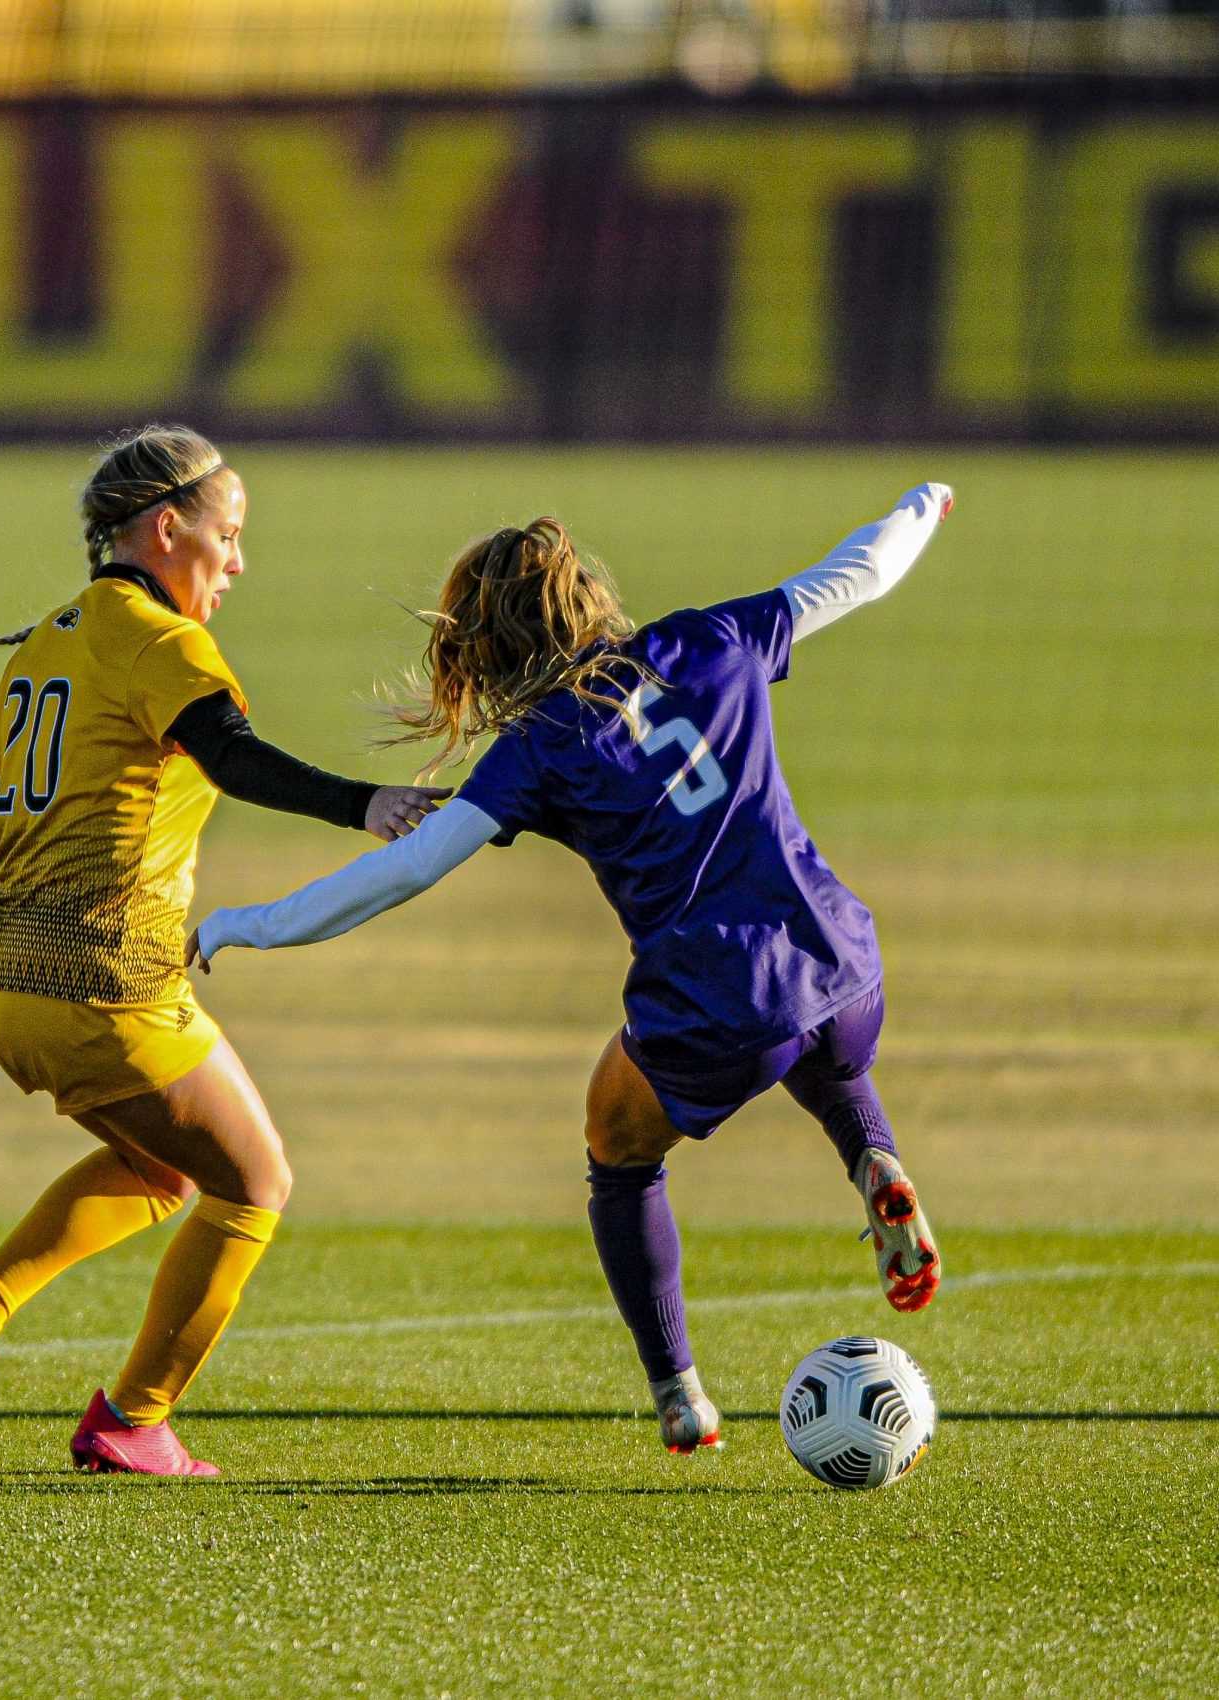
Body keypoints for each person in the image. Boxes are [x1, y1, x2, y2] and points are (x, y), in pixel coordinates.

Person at [188, 483, 955, 1455]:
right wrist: (923, 506)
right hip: (839, 952)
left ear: (490, 648)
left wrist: (244, 923)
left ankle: (678, 1389)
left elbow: (405, 869)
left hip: (715, 996)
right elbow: (862, 571)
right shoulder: (709, 639)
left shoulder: (540, 744)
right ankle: (872, 1159)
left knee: (617, 1145)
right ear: (588, 595)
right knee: (822, 1043)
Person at [0, 424, 446, 1477]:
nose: (237, 562)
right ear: (166, 528)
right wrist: (365, 804)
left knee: (162, 1170)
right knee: (255, 1182)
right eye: (227, 535)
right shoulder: (162, 640)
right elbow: (230, 757)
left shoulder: (56, 632)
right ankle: (133, 1417)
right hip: (107, 977)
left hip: (6, 985)